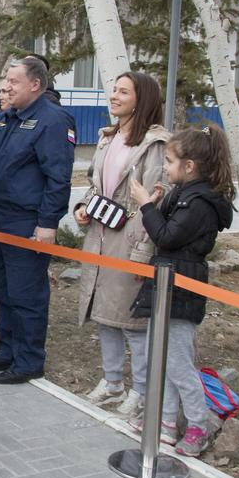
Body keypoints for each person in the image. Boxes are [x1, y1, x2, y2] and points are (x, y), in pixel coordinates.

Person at [0, 56, 76, 383]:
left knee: (27, 293)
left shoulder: (52, 120)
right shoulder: (5, 116)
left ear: (35, 84)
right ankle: (8, 351)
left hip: (27, 222)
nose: (5, 87)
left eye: (13, 82)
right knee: (4, 288)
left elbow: (58, 178)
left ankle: (29, 361)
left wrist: (48, 223)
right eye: (5, 81)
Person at [127, 125, 234, 457]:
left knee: (177, 362)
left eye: (170, 161)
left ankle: (198, 425)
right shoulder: (182, 193)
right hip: (165, 280)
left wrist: (145, 205)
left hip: (181, 286)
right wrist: (156, 204)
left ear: (189, 166)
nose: (166, 167)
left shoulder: (200, 202)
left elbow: (167, 237)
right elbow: (165, 229)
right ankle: (166, 421)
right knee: (161, 357)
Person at [72, 71, 170, 415]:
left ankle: (141, 391)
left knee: (132, 322)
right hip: (100, 236)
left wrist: (142, 251)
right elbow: (95, 184)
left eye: (123, 92)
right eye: (114, 89)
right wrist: (84, 206)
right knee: (104, 313)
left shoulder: (155, 145)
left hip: (130, 240)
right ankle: (113, 382)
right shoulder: (107, 137)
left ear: (142, 99)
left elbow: (155, 201)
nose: (114, 96)